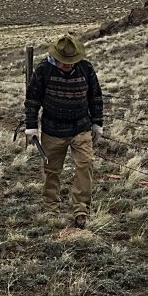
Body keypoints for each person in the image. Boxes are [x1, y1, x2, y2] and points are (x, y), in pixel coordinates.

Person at [23, 33, 103, 228]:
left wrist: (97, 123)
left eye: (72, 61)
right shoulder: (44, 70)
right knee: (51, 170)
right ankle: (51, 207)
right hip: (52, 129)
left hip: (81, 127)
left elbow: (95, 96)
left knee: (85, 165)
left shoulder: (86, 68)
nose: (68, 64)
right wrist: (31, 125)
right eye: (64, 61)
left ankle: (81, 209)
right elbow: (33, 99)